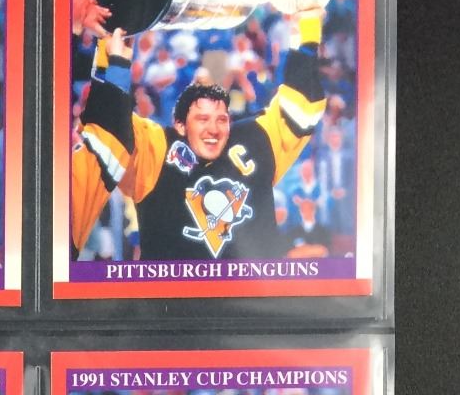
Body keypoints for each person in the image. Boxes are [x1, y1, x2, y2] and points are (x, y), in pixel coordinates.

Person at [71, 14, 327, 261]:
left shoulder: (255, 138)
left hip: (252, 289)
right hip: (174, 291)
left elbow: (301, 109)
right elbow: (107, 125)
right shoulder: (156, 148)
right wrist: (111, 53)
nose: (213, 129)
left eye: (221, 119)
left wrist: (306, 28)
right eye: (202, 119)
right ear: (180, 125)